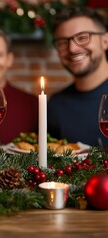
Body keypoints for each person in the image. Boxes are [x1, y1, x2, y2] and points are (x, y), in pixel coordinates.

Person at [48, 7, 108, 147]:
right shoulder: (56, 105)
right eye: (63, 42)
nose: (72, 49)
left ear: (105, 41)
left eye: (82, 38)